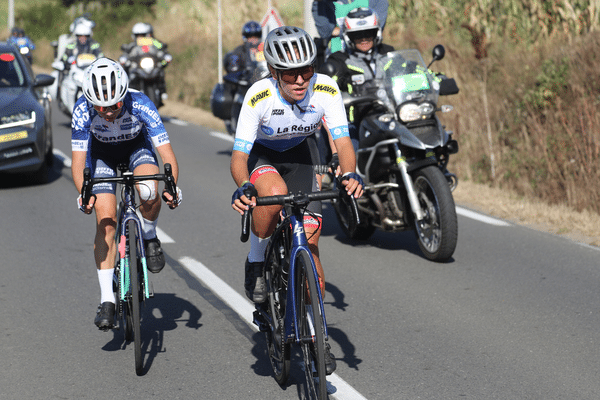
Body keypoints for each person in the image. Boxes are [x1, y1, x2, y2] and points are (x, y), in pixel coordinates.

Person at [230, 26, 363, 375]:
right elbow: (239, 156)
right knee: (271, 197)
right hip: (263, 157)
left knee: (312, 253)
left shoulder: (325, 87)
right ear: (274, 72)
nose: (301, 79)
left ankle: (317, 335)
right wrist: (245, 186)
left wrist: (348, 174)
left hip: (303, 157)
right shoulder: (259, 95)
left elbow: (343, 143)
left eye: (307, 69)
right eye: (291, 73)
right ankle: (256, 260)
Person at [71, 58, 181, 330]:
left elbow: (167, 156)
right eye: (100, 106)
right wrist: (84, 194)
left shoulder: (141, 103)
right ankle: (107, 299)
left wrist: (172, 187)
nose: (107, 112)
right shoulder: (82, 110)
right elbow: (78, 162)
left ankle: (150, 233)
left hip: (137, 149)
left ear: (124, 97)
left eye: (115, 105)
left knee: (149, 188)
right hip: (102, 158)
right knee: (105, 219)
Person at [320, 7, 394, 151]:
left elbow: (411, 70)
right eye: (357, 35)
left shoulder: (389, 53)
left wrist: (434, 79)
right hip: (354, 122)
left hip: (392, 115)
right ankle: (340, 173)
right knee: (349, 155)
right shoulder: (339, 60)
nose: (364, 39)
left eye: (369, 33)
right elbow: (324, 88)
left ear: (377, 33)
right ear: (348, 37)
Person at [312, 0, 388, 59]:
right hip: (337, 55)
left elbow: (376, 29)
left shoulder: (378, 1)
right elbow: (325, 32)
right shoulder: (326, 2)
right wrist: (319, 3)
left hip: (370, 55)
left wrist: (340, 31)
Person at [120, 22, 172, 104]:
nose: (140, 37)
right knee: (130, 75)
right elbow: (126, 52)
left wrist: (165, 55)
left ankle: (162, 91)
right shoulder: (132, 45)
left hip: (151, 66)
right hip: (138, 67)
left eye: (142, 35)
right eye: (138, 35)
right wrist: (124, 58)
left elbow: (161, 48)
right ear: (134, 36)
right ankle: (128, 95)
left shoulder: (154, 43)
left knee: (160, 71)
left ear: (147, 34)